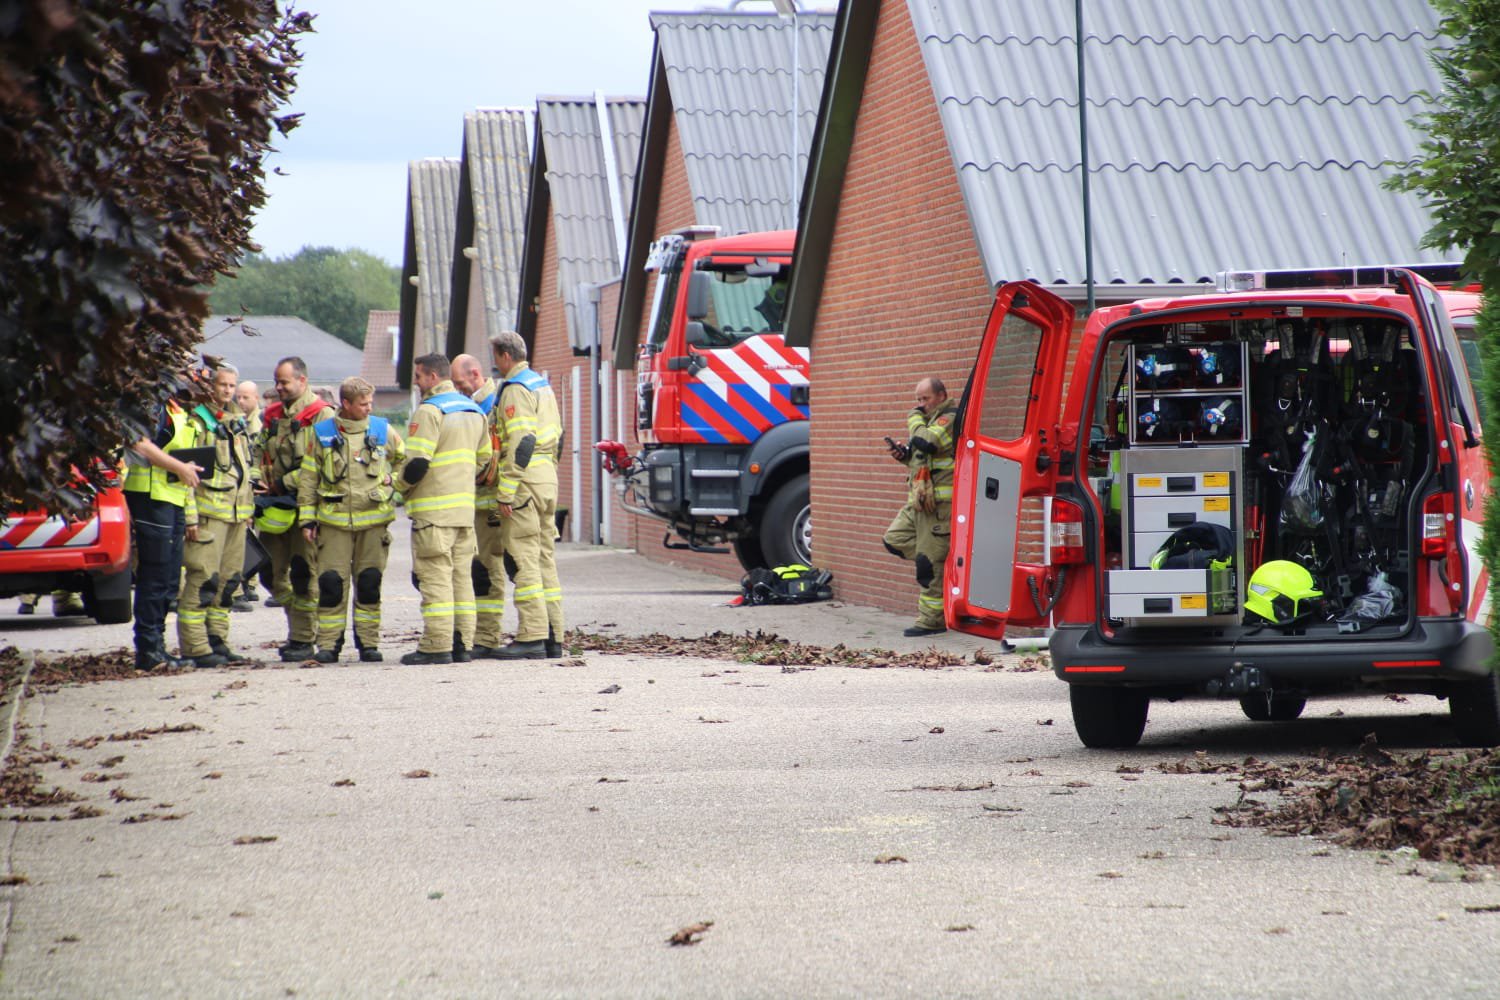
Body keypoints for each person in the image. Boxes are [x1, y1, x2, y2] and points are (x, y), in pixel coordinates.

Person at [297, 376, 405, 663]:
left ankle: (368, 643)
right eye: (363, 404)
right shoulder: (321, 434)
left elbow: (406, 461)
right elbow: (308, 478)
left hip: (374, 522)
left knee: (370, 583)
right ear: (345, 404)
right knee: (331, 585)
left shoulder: (382, 429)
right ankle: (329, 644)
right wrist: (307, 519)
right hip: (333, 524)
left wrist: (392, 480)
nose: (369, 408)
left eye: (371, 403)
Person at [398, 353, 490, 665]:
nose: (416, 382)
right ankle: (462, 644)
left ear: (433, 377)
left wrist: (397, 489)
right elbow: (484, 460)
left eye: (419, 377)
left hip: (433, 514)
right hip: (464, 512)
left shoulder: (429, 411)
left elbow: (417, 463)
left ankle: (437, 645)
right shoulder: (475, 410)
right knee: (462, 579)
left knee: (435, 577)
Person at [489, 330, 565, 659]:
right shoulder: (541, 385)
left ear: (506, 355)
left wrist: (506, 492)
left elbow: (522, 441)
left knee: (523, 557)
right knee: (545, 557)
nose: (495, 364)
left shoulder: (516, 389)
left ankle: (532, 635)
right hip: (546, 477)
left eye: (496, 357)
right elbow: (556, 438)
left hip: (525, 481)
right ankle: (553, 635)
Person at [175, 362, 256, 668]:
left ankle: (217, 640)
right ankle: (195, 646)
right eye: (222, 384)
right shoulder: (198, 421)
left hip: (236, 514)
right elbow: (188, 476)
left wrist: (247, 510)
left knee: (229, 581)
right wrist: (191, 517)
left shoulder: (237, 421)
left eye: (232, 386)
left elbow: (245, 467)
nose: (227, 391)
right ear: (209, 386)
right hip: (209, 513)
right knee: (202, 579)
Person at [124, 373, 205, 671]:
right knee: (155, 576)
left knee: (170, 578)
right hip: (150, 496)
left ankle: (157, 645)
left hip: (173, 496)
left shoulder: (176, 405)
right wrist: (179, 467)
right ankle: (148, 650)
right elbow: (138, 443)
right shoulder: (150, 401)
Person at [260, 356, 334, 661]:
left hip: (306, 506)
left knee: (304, 573)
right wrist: (257, 479)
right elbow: (259, 452)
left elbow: (323, 463)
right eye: (277, 382)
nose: (278, 388)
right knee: (268, 572)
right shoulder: (272, 415)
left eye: (284, 382)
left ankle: (303, 637)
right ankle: (301, 627)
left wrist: (281, 483)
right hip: (273, 505)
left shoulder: (322, 414)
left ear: (302, 381)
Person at [882, 376, 959, 637]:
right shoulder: (929, 421)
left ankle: (931, 621)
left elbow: (926, 442)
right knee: (894, 539)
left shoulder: (949, 417)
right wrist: (904, 456)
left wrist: (912, 417)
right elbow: (921, 455)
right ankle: (945, 562)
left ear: (940, 396)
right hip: (919, 501)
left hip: (938, 507)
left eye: (925, 399)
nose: (920, 405)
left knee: (929, 565)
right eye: (917, 400)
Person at [450, 352, 507, 657]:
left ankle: (487, 637)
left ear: (475, 374)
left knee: (488, 569)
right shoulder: (470, 405)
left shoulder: (494, 404)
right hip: (472, 502)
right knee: (476, 569)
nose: (458, 389)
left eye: (460, 383)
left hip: (492, 503)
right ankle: (479, 635)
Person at [233, 379, 264, 606]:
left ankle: (251, 583)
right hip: (241, 487)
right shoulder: (236, 422)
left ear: (256, 398)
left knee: (255, 536)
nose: (241, 401)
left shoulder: (263, 423)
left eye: (246, 397)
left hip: (257, 487)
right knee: (240, 534)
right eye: (239, 397)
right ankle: (241, 584)